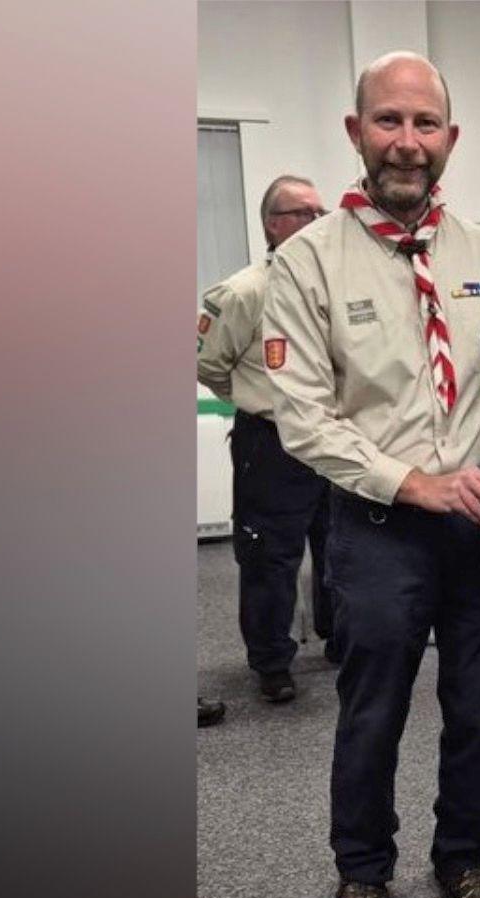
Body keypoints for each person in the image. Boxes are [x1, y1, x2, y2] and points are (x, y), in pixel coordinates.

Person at [264, 51, 480, 898]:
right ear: (355, 132)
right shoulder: (305, 265)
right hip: (377, 530)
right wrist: (414, 480)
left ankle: (465, 858)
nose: (406, 143)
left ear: (449, 140)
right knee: (373, 709)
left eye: (424, 125)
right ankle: (363, 873)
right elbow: (302, 417)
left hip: (474, 528)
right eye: (388, 122)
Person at [197, 175, 336, 704]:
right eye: (306, 213)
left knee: (338, 547)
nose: (319, 222)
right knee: (270, 558)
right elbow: (208, 363)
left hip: (330, 437)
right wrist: (259, 397)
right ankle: (272, 662)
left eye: (322, 212)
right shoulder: (244, 291)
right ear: (274, 224)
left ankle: (339, 639)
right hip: (272, 443)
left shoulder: (329, 287)